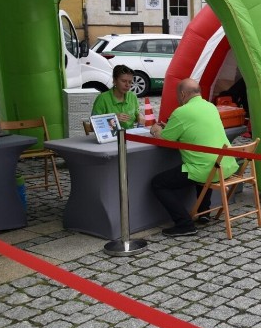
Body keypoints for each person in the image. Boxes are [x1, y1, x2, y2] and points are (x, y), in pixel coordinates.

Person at [150, 79, 238, 237]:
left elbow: (165, 140)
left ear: (183, 94)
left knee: (158, 183)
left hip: (206, 170)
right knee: (205, 162)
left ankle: (184, 224)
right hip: (224, 166)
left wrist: (156, 130)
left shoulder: (181, 112)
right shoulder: (211, 107)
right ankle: (204, 213)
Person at [91, 64, 143, 129]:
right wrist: (112, 119)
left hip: (129, 136)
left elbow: (136, 113)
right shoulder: (102, 99)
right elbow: (92, 125)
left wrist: (140, 116)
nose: (127, 85)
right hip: (110, 137)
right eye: (123, 81)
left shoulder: (132, 97)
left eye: (130, 82)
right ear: (114, 81)